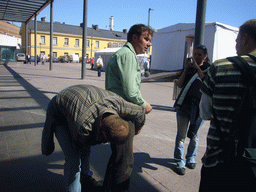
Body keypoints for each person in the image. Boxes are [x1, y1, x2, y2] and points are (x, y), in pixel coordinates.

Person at [41, 84, 145, 192]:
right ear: (103, 131)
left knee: (85, 151)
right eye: (106, 140)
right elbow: (82, 141)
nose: (105, 142)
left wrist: (137, 128)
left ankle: (85, 178)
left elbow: (140, 112)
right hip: (59, 113)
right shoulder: (83, 125)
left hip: (82, 97)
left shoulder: (120, 104)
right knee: (74, 161)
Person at [199, 19, 256, 191]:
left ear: (245, 38)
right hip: (251, 164)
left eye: (237, 39)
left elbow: (205, 113)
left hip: (218, 159)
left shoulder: (221, 67)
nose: (236, 44)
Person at [173, 45, 211, 175]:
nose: (197, 57)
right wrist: (186, 69)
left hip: (199, 108)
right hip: (184, 106)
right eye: (195, 54)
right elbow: (179, 84)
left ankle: (191, 158)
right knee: (181, 135)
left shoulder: (209, 69)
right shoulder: (189, 69)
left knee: (195, 136)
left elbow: (205, 80)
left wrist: (197, 67)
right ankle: (179, 161)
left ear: (205, 56)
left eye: (200, 54)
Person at [105, 24, 154, 114]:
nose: (149, 44)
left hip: (115, 105)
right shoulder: (128, 54)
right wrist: (144, 104)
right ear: (134, 38)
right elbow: (130, 91)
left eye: (150, 41)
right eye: (146, 39)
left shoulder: (124, 53)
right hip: (121, 108)